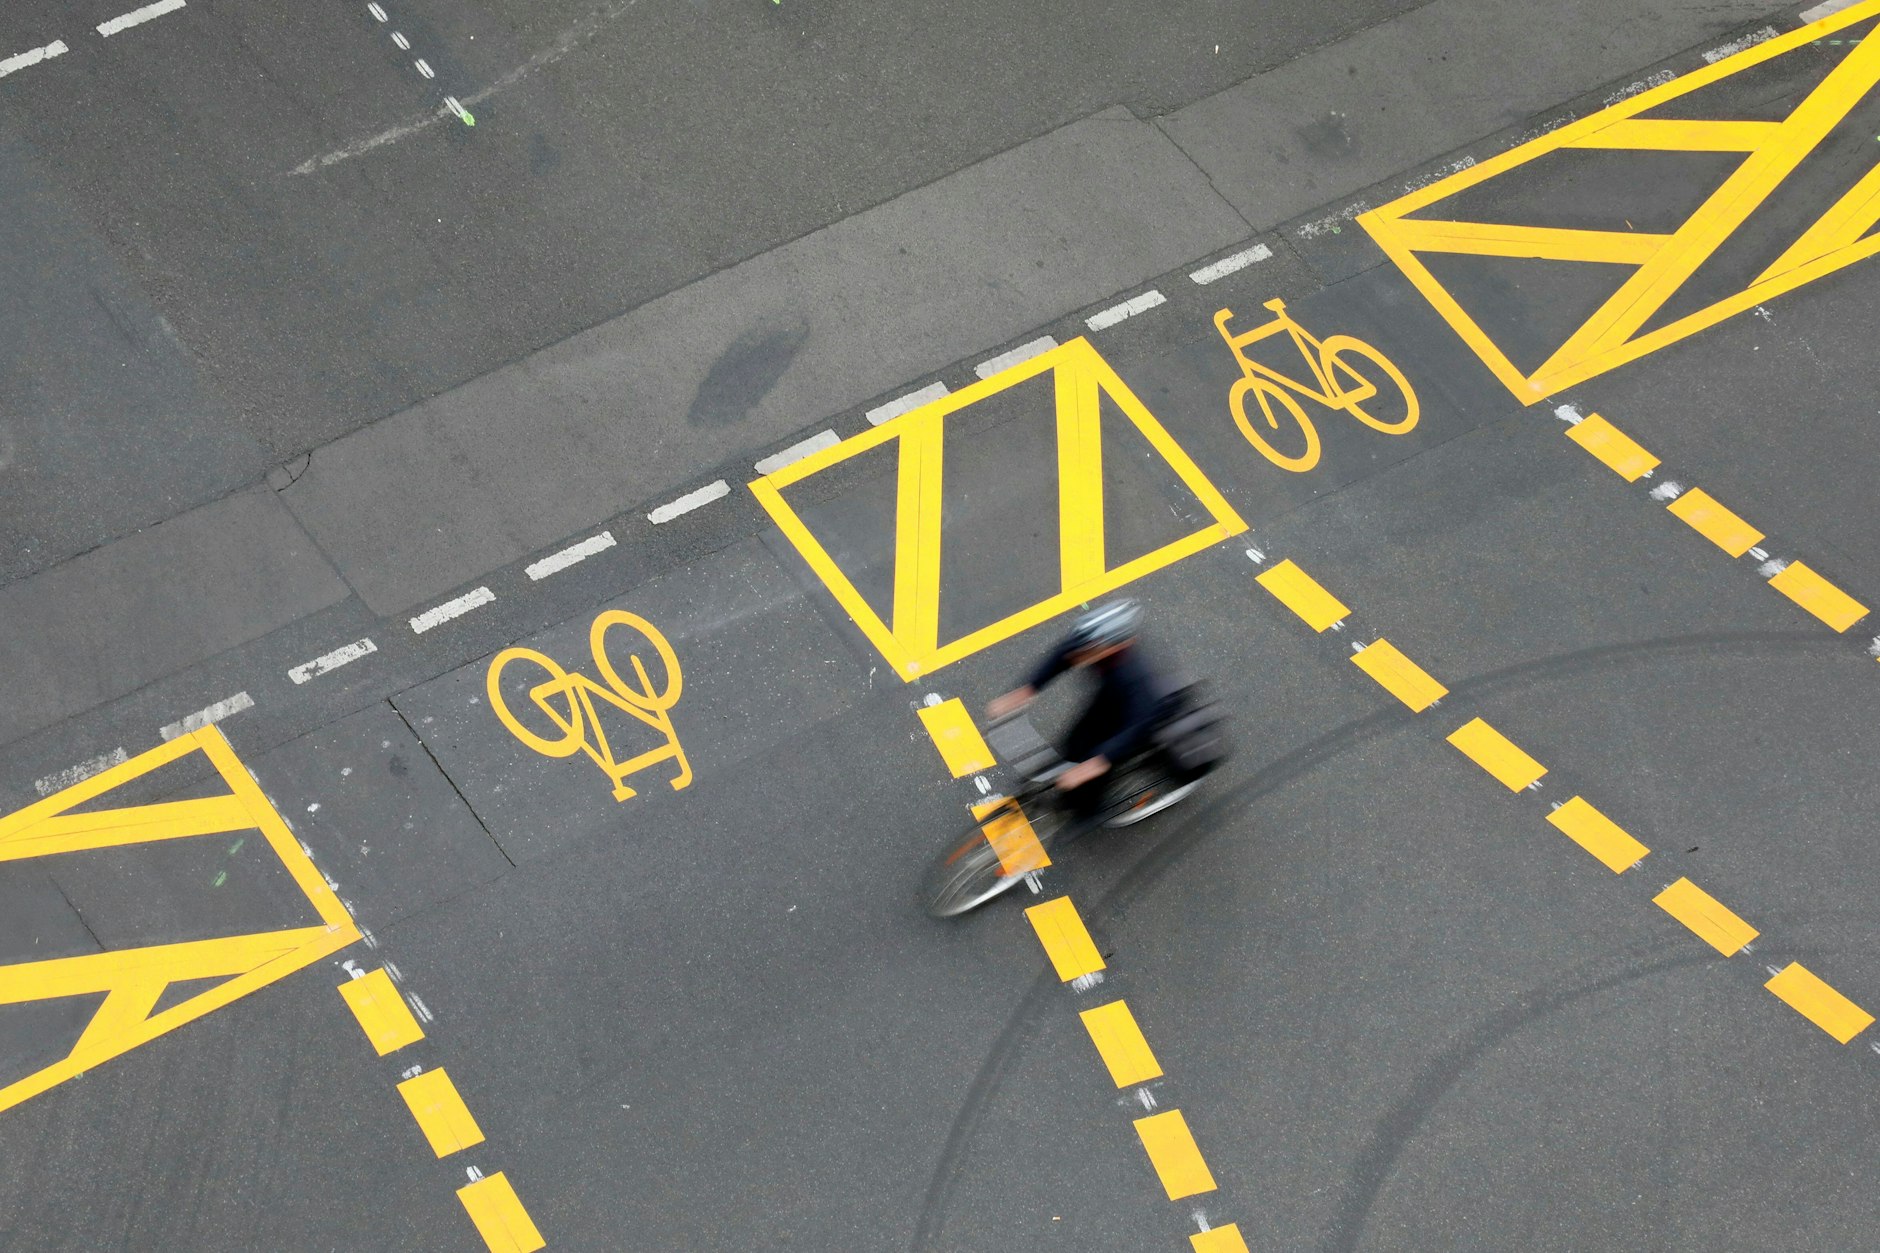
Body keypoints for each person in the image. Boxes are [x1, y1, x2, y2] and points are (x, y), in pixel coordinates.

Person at [987, 599, 1194, 824]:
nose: (1082, 652)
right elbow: (1063, 655)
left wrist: (1095, 765)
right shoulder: (1091, 641)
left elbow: (1135, 730)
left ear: (1116, 647)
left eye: (1091, 648)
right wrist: (1027, 689)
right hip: (1112, 697)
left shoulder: (1136, 679)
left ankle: (1088, 810)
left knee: (1097, 760)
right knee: (1076, 742)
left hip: (1142, 717)